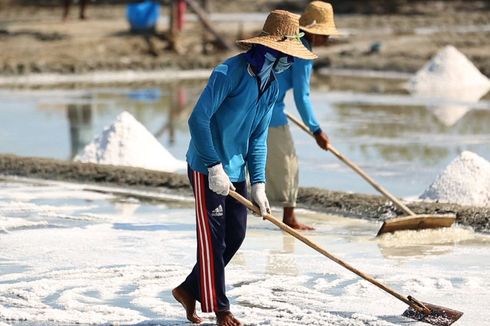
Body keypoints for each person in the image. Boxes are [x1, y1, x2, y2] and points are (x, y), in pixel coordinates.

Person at [172, 10, 316, 326]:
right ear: (268, 49)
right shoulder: (229, 73)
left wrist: (259, 184)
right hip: (206, 167)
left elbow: (258, 138)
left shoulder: (272, 87)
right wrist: (213, 167)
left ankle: (187, 288)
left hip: (235, 171)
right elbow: (198, 119)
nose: (288, 62)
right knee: (213, 241)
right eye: (285, 55)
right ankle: (221, 309)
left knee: (235, 236)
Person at [266, 1, 340, 230]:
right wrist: (316, 130)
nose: (326, 40)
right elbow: (302, 96)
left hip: (260, 107)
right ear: (311, 32)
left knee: (256, 162)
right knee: (289, 163)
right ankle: (289, 217)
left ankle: (248, 208)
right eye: (324, 34)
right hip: (269, 114)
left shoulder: (288, 39)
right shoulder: (303, 51)